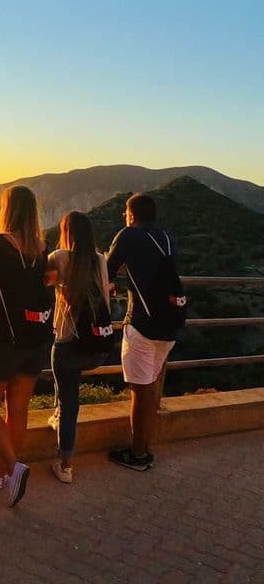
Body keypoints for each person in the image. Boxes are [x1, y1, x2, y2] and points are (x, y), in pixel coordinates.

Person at [0, 186, 52, 507]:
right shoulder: (43, 249)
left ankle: (13, 466)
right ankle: (0, 472)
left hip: (2, 340)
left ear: (9, 210)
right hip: (35, 340)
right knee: (18, 409)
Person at [106, 193, 180, 471]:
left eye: (125, 213)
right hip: (170, 324)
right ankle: (144, 448)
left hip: (142, 324)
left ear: (131, 214)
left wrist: (110, 283)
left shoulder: (128, 235)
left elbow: (106, 269)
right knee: (150, 388)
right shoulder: (168, 238)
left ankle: (137, 454)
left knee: (140, 391)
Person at [47, 211, 111, 484]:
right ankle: (57, 416)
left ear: (66, 233)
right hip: (98, 347)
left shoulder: (59, 257)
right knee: (67, 394)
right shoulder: (100, 260)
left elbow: (41, 282)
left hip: (69, 345)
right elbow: (105, 296)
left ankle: (66, 465)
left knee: (69, 400)